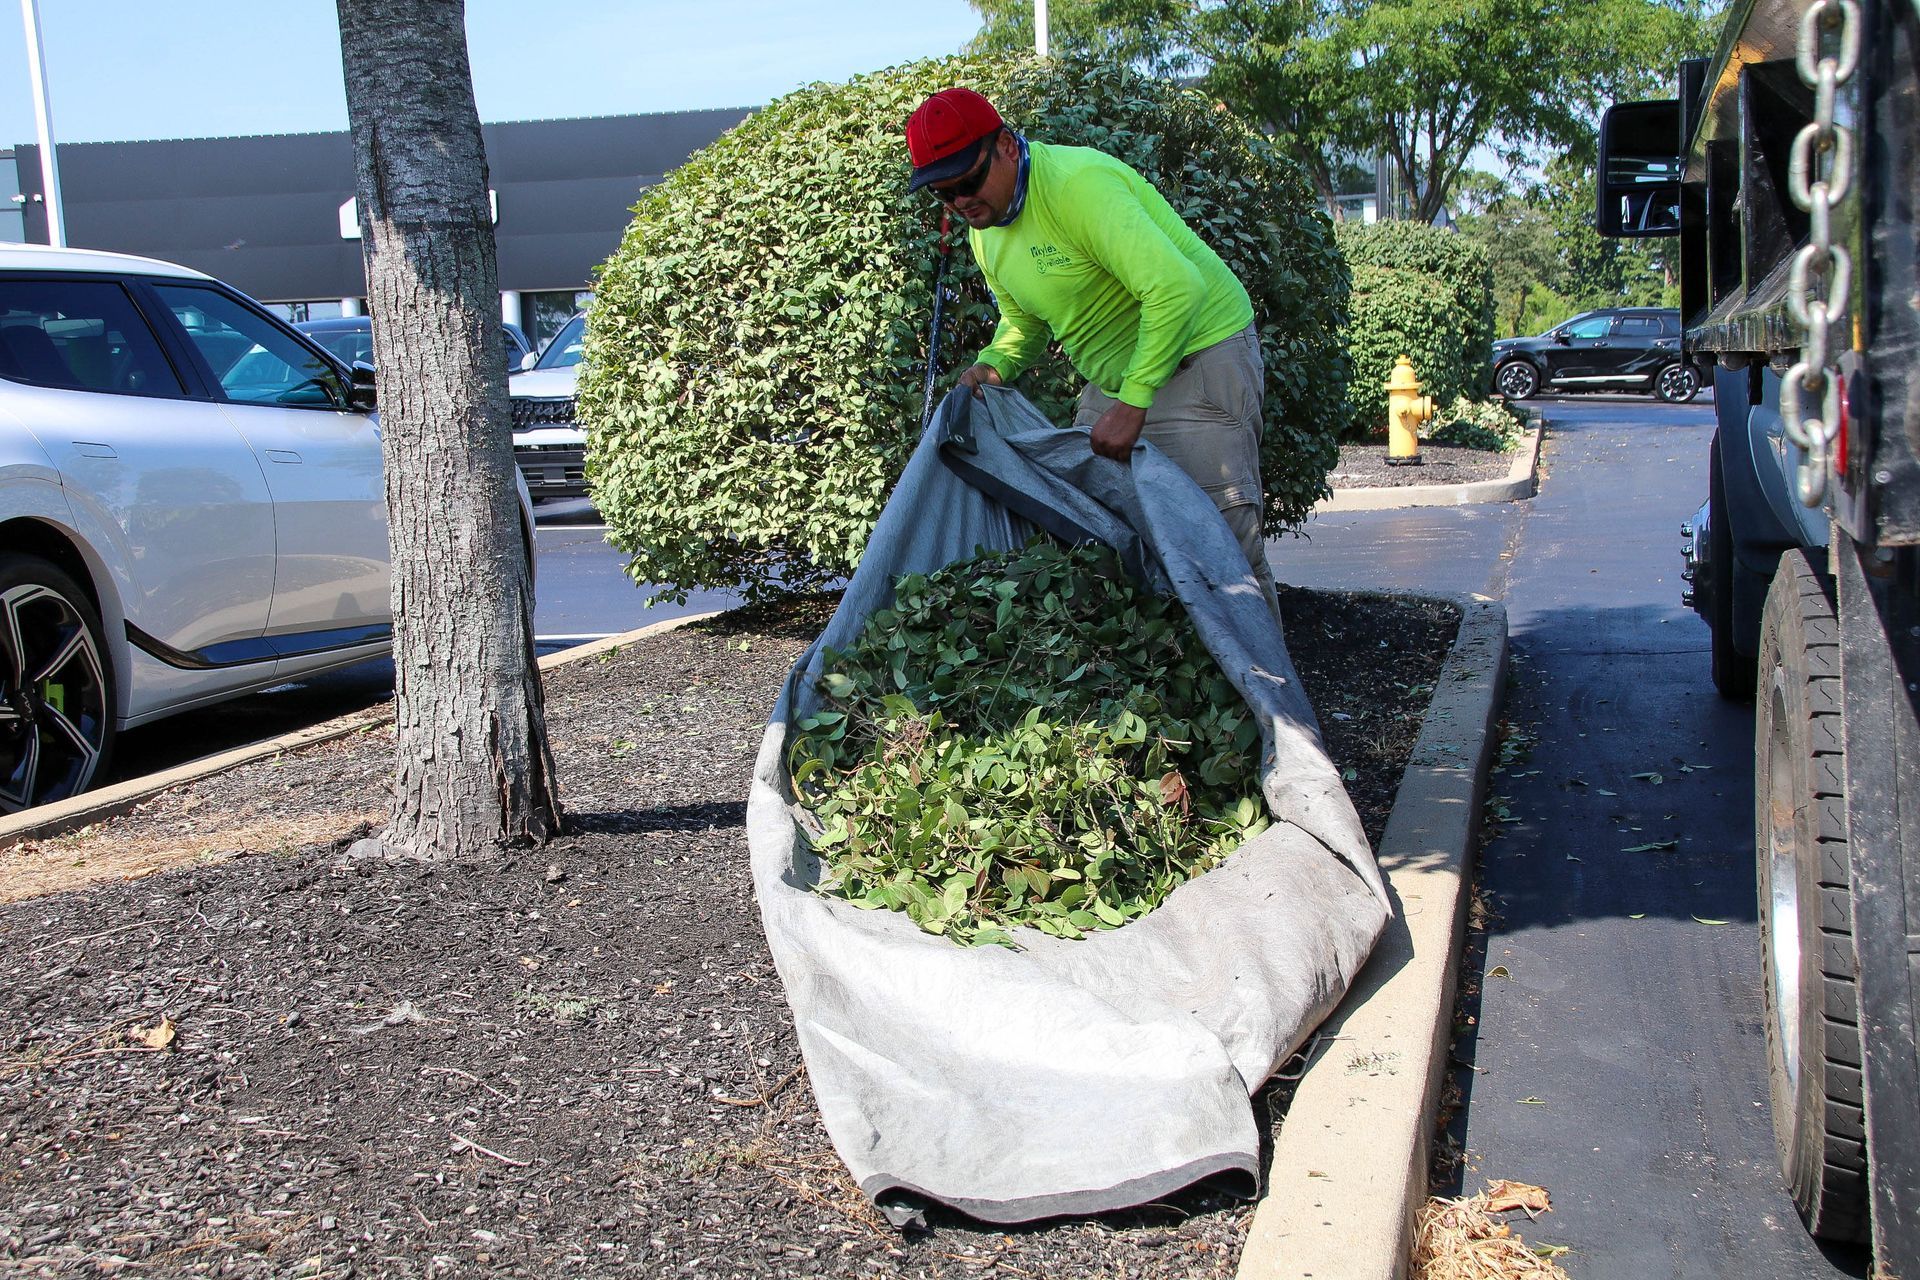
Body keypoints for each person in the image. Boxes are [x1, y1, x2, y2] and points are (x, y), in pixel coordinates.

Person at [904, 86, 1281, 621]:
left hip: (1198, 359)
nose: (961, 201)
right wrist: (994, 364)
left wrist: (1133, 403)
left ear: (1008, 146)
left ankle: (1265, 702)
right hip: (1118, 382)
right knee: (1111, 553)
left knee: (1221, 556)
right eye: (944, 193)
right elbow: (1025, 320)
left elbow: (1177, 288)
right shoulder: (986, 232)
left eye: (968, 180)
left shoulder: (1079, 188)